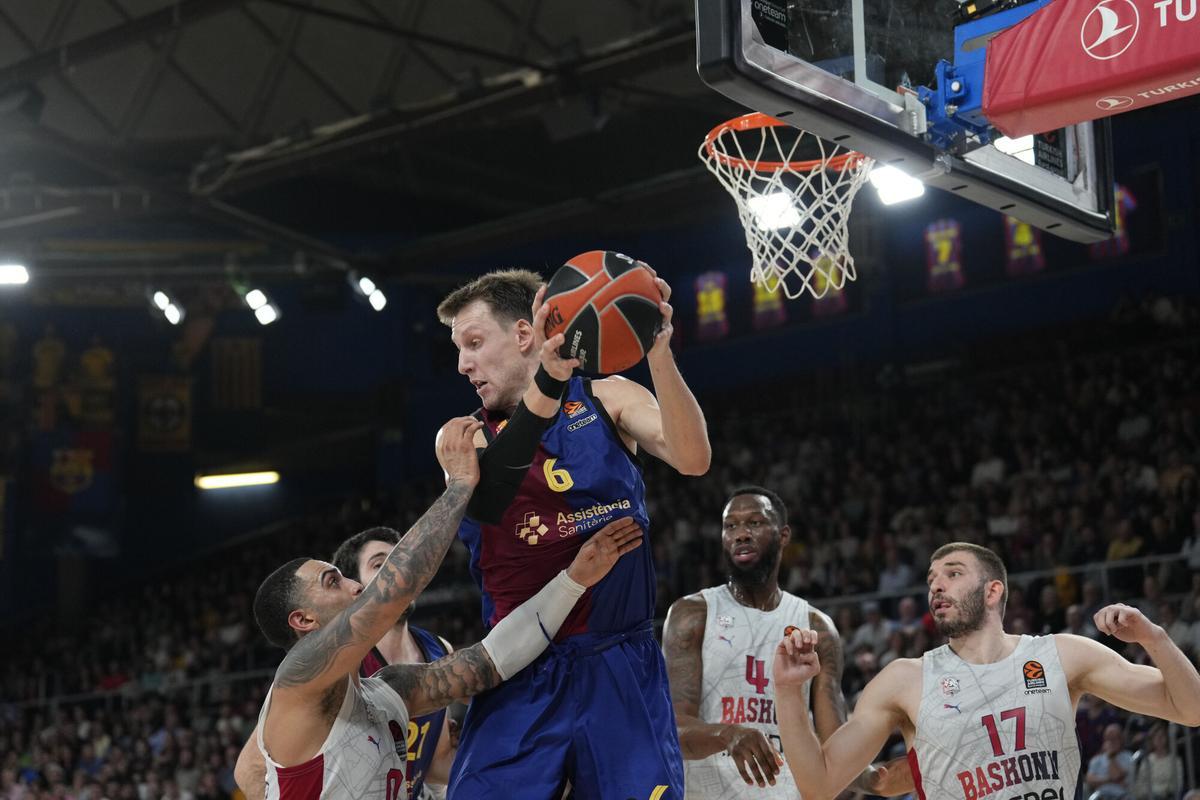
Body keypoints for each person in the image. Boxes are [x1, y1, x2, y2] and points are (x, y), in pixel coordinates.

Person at [247, 414, 645, 800]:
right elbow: (396, 589)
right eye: (333, 581)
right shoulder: (297, 682)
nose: (354, 585)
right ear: (302, 620)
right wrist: (458, 486)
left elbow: (491, 660)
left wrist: (572, 581)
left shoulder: (390, 689)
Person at [437, 266, 710, 798]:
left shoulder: (610, 398)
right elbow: (493, 495)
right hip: (520, 665)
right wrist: (549, 383)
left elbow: (693, 459)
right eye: (459, 349)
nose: (463, 363)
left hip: (619, 662)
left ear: (523, 334)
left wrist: (657, 353)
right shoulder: (463, 437)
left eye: (473, 342)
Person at [773, 542, 1200, 800]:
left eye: (952, 574)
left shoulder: (1063, 656)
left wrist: (1155, 639)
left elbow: (1190, 709)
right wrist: (789, 692)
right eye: (931, 579)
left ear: (993, 590)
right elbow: (820, 785)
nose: (936, 586)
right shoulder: (904, 680)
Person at [662, 486, 913, 799]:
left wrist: (876, 780)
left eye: (754, 523)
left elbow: (833, 746)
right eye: (731, 526)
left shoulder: (817, 627)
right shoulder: (693, 614)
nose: (740, 534)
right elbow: (671, 728)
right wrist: (728, 734)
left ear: (783, 536)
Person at [235, 527, 459, 799]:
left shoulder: (438, 648)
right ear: (359, 582)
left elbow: (435, 764)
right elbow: (249, 768)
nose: (398, 571)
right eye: (380, 565)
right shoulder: (333, 668)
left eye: (398, 558)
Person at [1086, 723, 1133, 800]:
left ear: (1121, 740)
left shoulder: (1129, 757)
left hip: (1121, 797)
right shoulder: (1097, 759)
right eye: (1108, 739)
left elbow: (1116, 776)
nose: (1111, 742)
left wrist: (1111, 757)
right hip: (1100, 797)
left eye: (1114, 738)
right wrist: (1110, 780)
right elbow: (1089, 780)